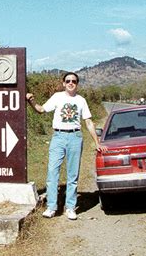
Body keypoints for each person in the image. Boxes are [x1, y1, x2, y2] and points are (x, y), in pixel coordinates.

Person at [26, 72, 106, 220]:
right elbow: (41, 110)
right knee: (52, 172)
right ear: (63, 83)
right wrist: (31, 101)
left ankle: (70, 207)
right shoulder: (57, 97)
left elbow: (88, 122)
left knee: (72, 175)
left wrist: (97, 142)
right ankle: (51, 207)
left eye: (74, 81)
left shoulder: (81, 100)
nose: (70, 83)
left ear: (77, 84)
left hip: (75, 137)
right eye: (68, 81)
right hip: (58, 137)